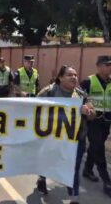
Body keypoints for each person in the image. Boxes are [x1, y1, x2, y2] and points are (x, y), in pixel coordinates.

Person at [35, 65, 96, 204]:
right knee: (48, 161)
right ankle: (42, 179)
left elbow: (93, 115)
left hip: (76, 139)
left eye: (75, 75)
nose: (74, 77)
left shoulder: (81, 95)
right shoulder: (49, 92)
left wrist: (89, 112)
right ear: (60, 77)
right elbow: (35, 108)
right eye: (69, 75)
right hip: (53, 137)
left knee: (74, 167)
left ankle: (74, 197)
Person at [80, 55, 111, 197]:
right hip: (93, 120)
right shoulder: (88, 81)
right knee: (98, 147)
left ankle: (87, 170)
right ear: (98, 66)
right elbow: (79, 99)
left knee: (95, 146)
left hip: (107, 120)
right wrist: (86, 107)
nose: (110, 67)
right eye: (107, 65)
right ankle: (107, 180)